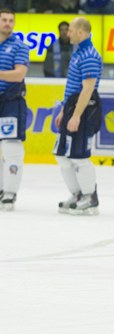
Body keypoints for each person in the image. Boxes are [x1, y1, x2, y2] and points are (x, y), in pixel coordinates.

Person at [53, 17, 103, 216]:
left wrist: (76, 115)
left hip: (85, 108)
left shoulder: (90, 54)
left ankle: (90, 197)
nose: (68, 33)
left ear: (81, 32)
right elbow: (72, 87)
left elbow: (88, 88)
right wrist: (65, 111)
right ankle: (77, 193)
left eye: (71, 30)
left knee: (79, 156)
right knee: (62, 154)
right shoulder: (78, 52)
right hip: (73, 105)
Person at [0, 9, 29, 211]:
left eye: (11, 20)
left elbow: (18, 75)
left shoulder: (20, 46)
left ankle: (10, 192)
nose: (8, 23)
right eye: (4, 20)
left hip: (11, 101)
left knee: (12, 148)